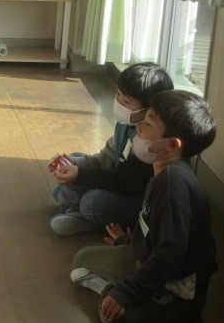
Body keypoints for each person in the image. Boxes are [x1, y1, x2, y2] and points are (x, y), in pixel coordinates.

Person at [69, 89, 217, 323]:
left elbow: (170, 252)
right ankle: (121, 283)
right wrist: (129, 242)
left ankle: (118, 289)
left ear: (172, 144)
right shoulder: (161, 169)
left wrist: (127, 293)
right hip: (152, 263)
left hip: (177, 289)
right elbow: (152, 226)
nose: (138, 128)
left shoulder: (172, 184)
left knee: (117, 319)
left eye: (148, 124)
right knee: (81, 259)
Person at [50, 62, 174, 236]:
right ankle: (77, 204)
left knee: (92, 202)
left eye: (126, 101)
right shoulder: (127, 122)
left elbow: (124, 184)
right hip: (117, 180)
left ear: (150, 109)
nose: (119, 103)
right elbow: (107, 158)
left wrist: (80, 175)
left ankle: (85, 215)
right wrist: (74, 164)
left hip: (136, 198)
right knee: (75, 158)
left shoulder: (149, 144)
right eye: (118, 94)